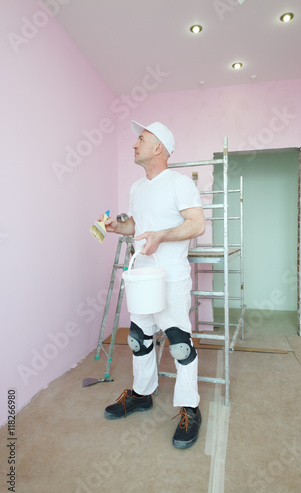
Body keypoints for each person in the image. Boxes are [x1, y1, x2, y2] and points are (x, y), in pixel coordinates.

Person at [100, 120, 205, 449]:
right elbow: (137, 224)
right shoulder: (136, 188)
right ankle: (142, 395)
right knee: (137, 338)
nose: (135, 144)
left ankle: (190, 408)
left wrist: (163, 236)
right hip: (142, 274)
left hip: (171, 275)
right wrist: (119, 227)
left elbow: (197, 224)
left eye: (141, 140)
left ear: (158, 147)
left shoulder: (179, 183)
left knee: (179, 344)